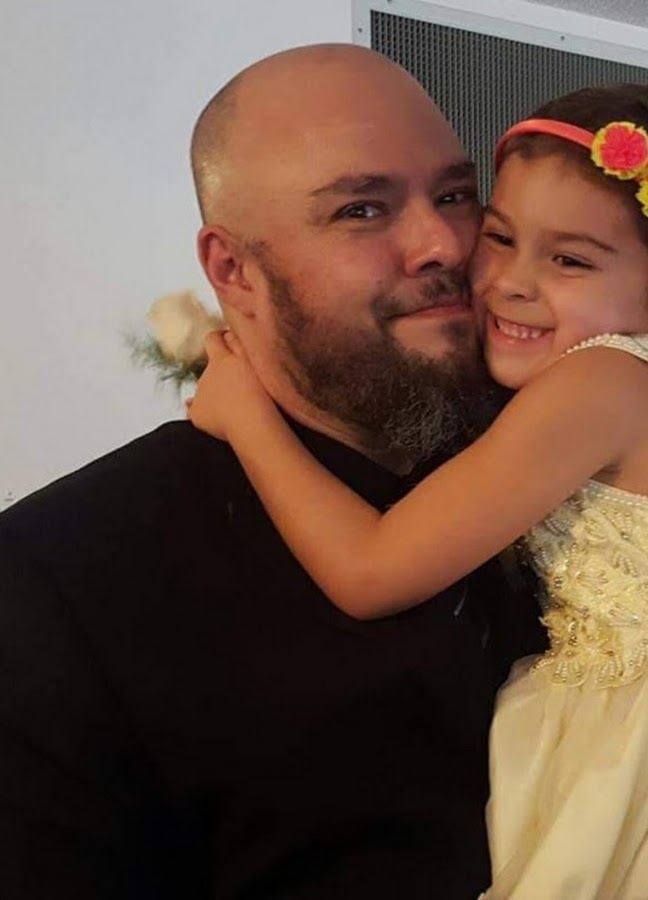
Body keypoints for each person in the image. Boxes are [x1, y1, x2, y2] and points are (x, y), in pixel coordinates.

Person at [189, 83, 648, 898]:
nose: (509, 282)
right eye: (499, 237)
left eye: (569, 260)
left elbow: (371, 571)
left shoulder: (600, 383)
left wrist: (244, 414)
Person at [0, 44, 551, 898]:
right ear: (234, 270)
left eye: (455, 195)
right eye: (362, 210)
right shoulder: (53, 583)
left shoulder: (564, 485)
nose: (441, 242)